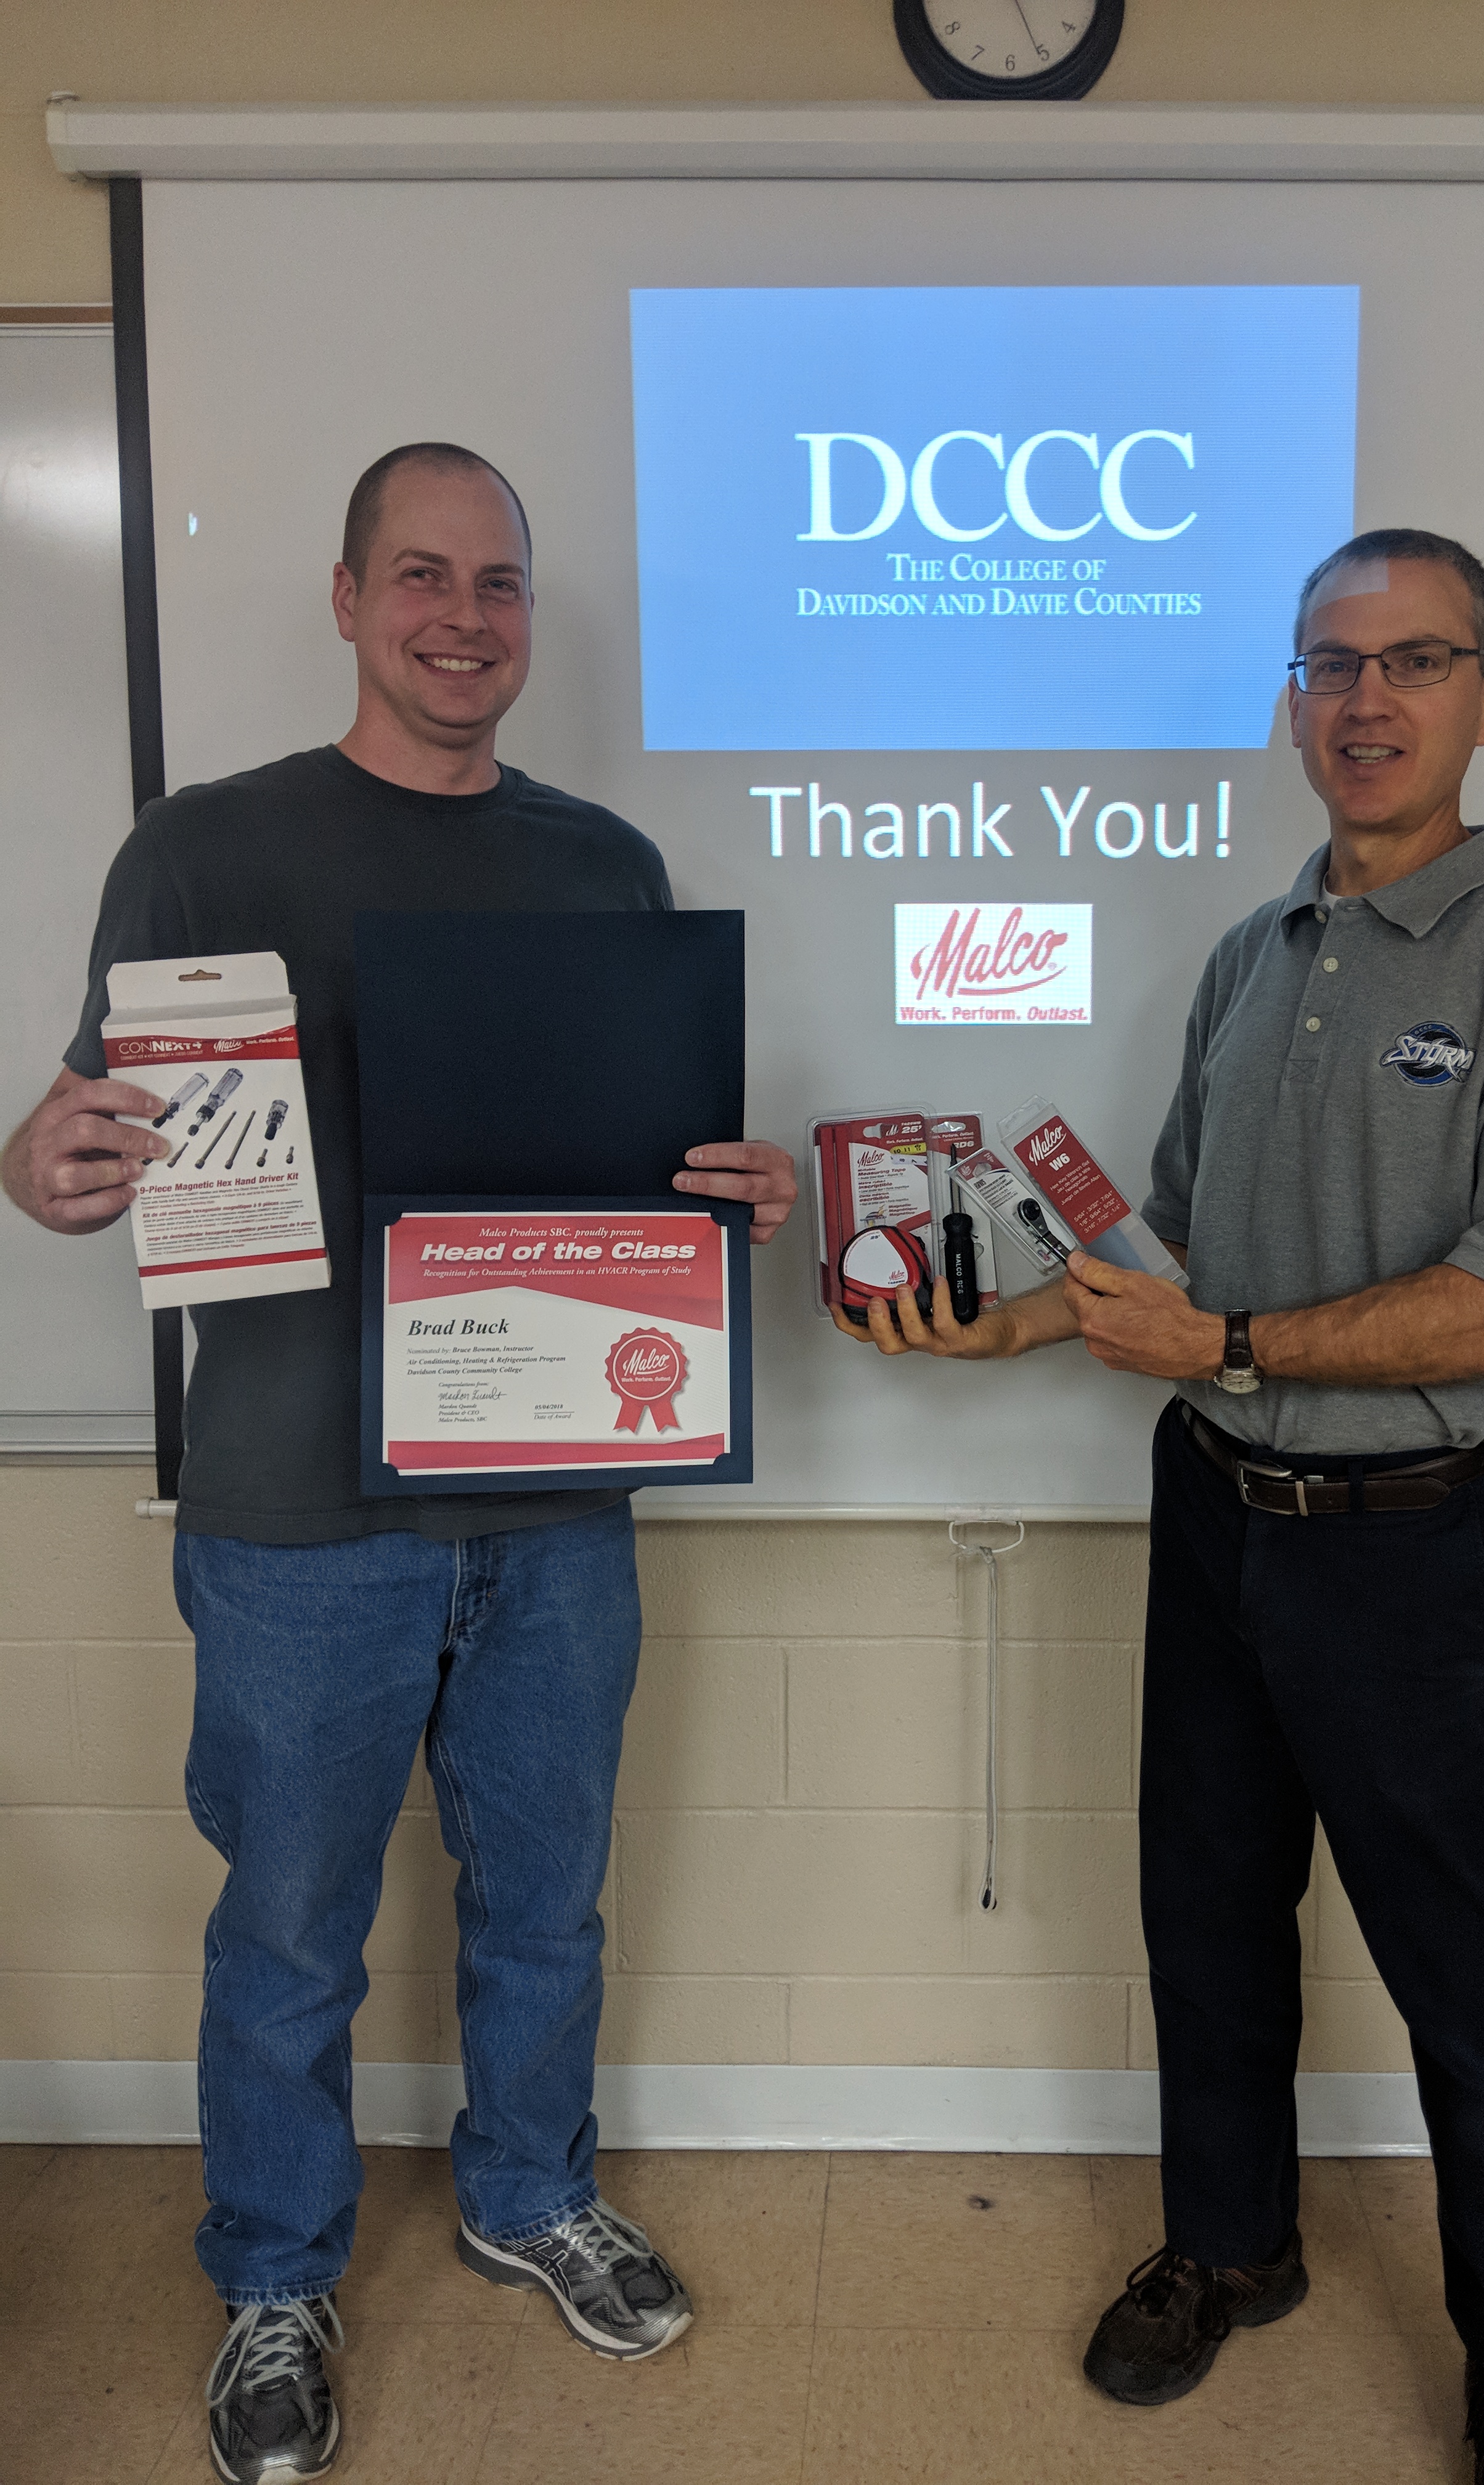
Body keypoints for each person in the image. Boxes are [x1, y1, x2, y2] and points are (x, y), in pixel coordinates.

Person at [3, 443, 797, 2485]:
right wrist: (44, 1165)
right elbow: (91, 1132)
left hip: (554, 1504)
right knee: (288, 1931)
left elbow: (636, 1179)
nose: (466, 618)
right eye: (424, 577)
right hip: (292, 1511)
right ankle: (278, 2271)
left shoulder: (609, 865)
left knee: (547, 1902)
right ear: (348, 599)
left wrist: (724, 1194)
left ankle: (531, 2197)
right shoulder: (202, 852)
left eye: (502, 584)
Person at [836, 528, 1484, 2485]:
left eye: (1415, 661)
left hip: (1415, 1552)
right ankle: (1231, 2248)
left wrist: (1237, 1340)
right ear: (1290, 701)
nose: (1366, 701)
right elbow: (1166, 1254)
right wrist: (997, 1329)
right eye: (1329, 666)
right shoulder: (1246, 957)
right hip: (1214, 1523)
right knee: (1205, 1927)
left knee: (1472, 1975)